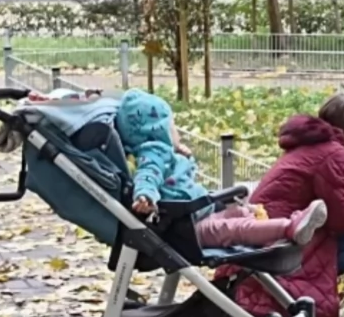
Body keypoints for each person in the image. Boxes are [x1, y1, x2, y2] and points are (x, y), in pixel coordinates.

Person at [223, 93, 344, 317]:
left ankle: (286, 289)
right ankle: (284, 294)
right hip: (278, 239)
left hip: (260, 231)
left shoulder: (312, 146)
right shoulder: (333, 154)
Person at [116, 89, 329, 249]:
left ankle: (268, 229)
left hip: (198, 212)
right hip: (186, 227)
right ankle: (288, 227)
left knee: (240, 212)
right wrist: (145, 195)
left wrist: (181, 155)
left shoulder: (162, 152)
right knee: (234, 229)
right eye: (172, 125)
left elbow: (175, 176)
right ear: (158, 129)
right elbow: (148, 173)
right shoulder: (154, 151)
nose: (176, 130)